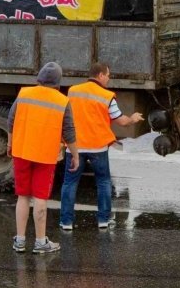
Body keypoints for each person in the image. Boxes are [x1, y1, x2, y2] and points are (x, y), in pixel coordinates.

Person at [59, 63, 143, 231]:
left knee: (69, 183)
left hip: (75, 146)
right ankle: (103, 220)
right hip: (98, 147)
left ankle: (66, 222)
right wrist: (133, 118)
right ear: (99, 75)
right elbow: (121, 121)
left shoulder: (73, 91)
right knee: (103, 182)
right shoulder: (106, 96)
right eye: (108, 75)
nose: (109, 78)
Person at [8, 62, 79, 255]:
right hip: (45, 154)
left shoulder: (24, 94)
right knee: (40, 198)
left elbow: (11, 120)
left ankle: (20, 241)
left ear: (39, 78)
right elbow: (69, 132)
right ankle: (40, 242)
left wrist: (9, 143)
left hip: (22, 151)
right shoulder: (62, 101)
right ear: (57, 82)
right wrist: (75, 155)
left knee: (23, 196)